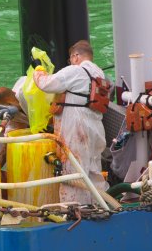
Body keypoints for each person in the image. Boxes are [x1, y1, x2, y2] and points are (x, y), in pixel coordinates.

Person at [32, 40, 111, 206]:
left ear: (75, 56)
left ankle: (75, 212)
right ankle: (99, 207)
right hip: (95, 126)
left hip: (76, 126)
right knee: (93, 170)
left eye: (70, 58)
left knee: (73, 171)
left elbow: (46, 84)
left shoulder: (75, 70)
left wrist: (38, 69)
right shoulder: (98, 73)